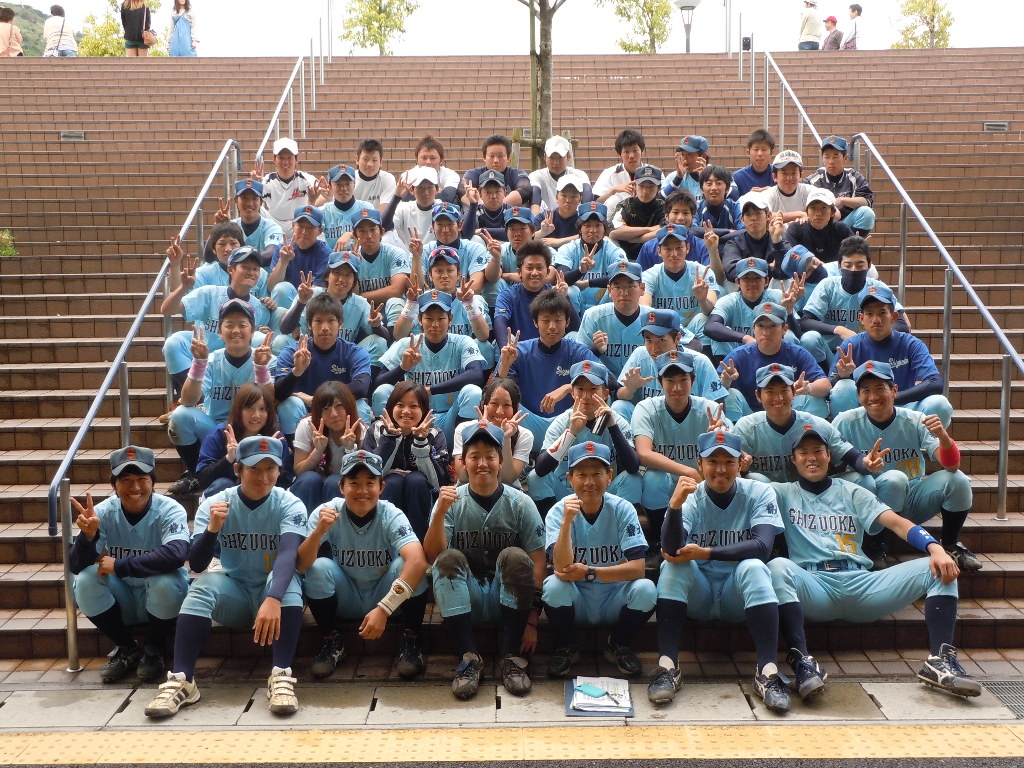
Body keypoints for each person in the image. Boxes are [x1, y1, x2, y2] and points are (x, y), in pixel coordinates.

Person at [768, 427, 981, 699]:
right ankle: (802, 662)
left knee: (939, 567)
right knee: (777, 567)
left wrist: (935, 547)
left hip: (861, 584)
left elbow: (898, 523)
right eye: (804, 452)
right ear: (794, 460)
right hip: (815, 587)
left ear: (829, 456)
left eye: (818, 451)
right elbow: (737, 490)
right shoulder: (781, 492)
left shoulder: (852, 491)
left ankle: (941, 662)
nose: (811, 458)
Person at [143, 436, 307, 718]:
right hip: (235, 592)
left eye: (270, 468)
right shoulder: (216, 503)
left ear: (280, 470)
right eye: (254, 468)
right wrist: (211, 531)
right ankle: (183, 680)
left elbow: (288, 555)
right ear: (237, 469)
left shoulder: (289, 503)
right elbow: (197, 564)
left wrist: (273, 598)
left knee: (287, 582)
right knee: (202, 585)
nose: (263, 477)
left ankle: (281, 676)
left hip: (273, 594)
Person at [648, 432, 789, 711]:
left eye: (729, 461)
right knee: (673, 566)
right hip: (699, 593)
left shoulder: (759, 491)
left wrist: (707, 552)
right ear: (699, 464)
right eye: (713, 461)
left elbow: (763, 547)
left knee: (755, 566)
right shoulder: (690, 495)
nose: (721, 469)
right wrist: (674, 506)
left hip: (736, 594)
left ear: (740, 464)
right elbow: (671, 549)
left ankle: (768, 672)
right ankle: (667, 667)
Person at [424, 422, 546, 699]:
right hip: (466, 598)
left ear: (500, 462)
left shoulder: (521, 502)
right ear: (463, 463)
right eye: (474, 456)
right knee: (448, 558)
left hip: (511, 601)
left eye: (490, 456)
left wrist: (532, 620)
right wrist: (440, 513)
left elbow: (539, 562)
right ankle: (468, 658)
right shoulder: (451, 500)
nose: (482, 463)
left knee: (515, 556)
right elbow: (432, 556)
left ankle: (510, 657)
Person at [832, 361, 980, 572]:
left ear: (894, 390)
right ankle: (874, 544)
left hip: (910, 497)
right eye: (865, 390)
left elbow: (952, 464)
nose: (873, 396)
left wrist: (944, 437)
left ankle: (950, 544)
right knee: (892, 479)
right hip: (866, 503)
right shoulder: (845, 421)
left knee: (958, 480)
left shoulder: (914, 420)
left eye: (880, 388)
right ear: (858, 395)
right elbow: (829, 465)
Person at [298, 450, 429, 680]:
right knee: (319, 567)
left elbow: (418, 561)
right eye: (354, 483)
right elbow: (301, 565)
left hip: (386, 595)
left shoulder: (390, 514)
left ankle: (411, 641)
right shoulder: (327, 512)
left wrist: (384, 608)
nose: (362, 491)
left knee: (406, 565)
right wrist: (318, 533)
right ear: (341, 487)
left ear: (381, 487)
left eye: (370, 483)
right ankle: (331, 641)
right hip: (347, 595)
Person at [69, 446, 189, 683]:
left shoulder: (170, 509)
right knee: (85, 579)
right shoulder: (103, 512)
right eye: (125, 480)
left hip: (162, 597)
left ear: (152, 482)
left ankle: (154, 649)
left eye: (142, 479)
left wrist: (120, 565)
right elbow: (75, 564)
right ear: (114, 485)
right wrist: (88, 537)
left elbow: (176, 554)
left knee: (165, 580)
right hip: (124, 595)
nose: (135, 488)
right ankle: (127, 647)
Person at [543, 442, 656, 679]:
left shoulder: (623, 509)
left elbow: (638, 569)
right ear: (570, 478)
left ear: (609, 476)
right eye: (581, 475)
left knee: (646, 589)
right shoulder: (558, 511)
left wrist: (589, 572)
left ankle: (618, 644)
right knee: (553, 586)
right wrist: (566, 523)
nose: (589, 482)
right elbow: (561, 567)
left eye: (597, 474)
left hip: (614, 597)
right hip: (577, 599)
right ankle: (568, 646)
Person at [165, 299, 303, 493]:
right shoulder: (211, 360)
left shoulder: (266, 358)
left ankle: (290, 469)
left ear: (252, 331)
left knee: (293, 404)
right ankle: (196, 475)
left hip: (256, 429)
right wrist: (199, 363)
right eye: (229, 325)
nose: (236, 330)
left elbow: (270, 402)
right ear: (220, 332)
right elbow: (188, 400)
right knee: (180, 415)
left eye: (242, 325)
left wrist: (260, 367)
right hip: (218, 430)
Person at [631, 349, 732, 558]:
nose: (677, 387)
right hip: (668, 484)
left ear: (693, 381)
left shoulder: (710, 409)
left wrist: (718, 438)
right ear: (660, 382)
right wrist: (687, 471)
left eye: (683, 380)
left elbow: (735, 454)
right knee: (653, 479)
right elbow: (644, 453)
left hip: (701, 485)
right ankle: (659, 539)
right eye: (670, 380)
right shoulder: (646, 408)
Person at [733, 363, 879, 484]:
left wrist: (867, 463)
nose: (778, 398)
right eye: (770, 392)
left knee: (864, 480)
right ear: (758, 395)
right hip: (767, 498)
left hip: (811, 493)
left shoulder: (817, 424)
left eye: (784, 390)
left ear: (794, 392)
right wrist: (743, 469)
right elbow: (734, 473)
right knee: (756, 479)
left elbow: (853, 458)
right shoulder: (746, 427)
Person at [828, 284, 952, 425]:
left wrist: (890, 398)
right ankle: (846, 438)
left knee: (940, 403)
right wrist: (842, 375)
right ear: (861, 318)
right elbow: (830, 387)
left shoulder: (911, 344)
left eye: (882, 313)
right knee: (843, 387)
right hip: (865, 410)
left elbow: (935, 382)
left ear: (894, 317)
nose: (876, 320)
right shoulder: (851, 345)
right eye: (869, 314)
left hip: (903, 408)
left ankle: (926, 439)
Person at [373, 290, 484, 445]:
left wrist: (431, 390)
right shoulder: (406, 344)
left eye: (441, 318)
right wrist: (402, 368)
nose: (435, 324)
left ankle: (461, 450)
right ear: (420, 320)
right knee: (382, 391)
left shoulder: (462, 342)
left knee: (473, 392)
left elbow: (476, 374)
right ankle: (388, 444)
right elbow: (378, 382)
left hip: (449, 417)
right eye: (429, 318)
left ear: (450, 319)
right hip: (412, 420)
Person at [496, 289, 605, 448]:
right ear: (535, 322)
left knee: (604, 399)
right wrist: (504, 366)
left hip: (569, 422)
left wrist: (568, 387)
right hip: (528, 422)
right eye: (546, 320)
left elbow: (607, 383)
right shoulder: (518, 351)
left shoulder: (577, 351)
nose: (552, 326)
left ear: (567, 322)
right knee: (500, 402)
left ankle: (595, 450)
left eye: (558, 320)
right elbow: (494, 394)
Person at [532, 360, 642, 505]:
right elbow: (540, 469)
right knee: (535, 478)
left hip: (605, 496)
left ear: (605, 393)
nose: (586, 395)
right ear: (572, 393)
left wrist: (612, 427)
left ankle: (618, 518)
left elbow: (633, 467)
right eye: (580, 389)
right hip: (567, 495)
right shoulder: (562, 422)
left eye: (593, 389)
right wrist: (571, 433)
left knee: (633, 479)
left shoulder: (616, 421)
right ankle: (556, 519)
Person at [798, 236, 908, 369]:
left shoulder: (877, 287)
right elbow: (806, 321)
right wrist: (838, 330)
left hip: (866, 353)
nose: (854, 270)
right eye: (848, 265)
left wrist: (869, 336)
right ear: (839, 265)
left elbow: (902, 325)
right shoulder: (827, 285)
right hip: (831, 353)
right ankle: (825, 377)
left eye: (860, 265)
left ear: (869, 265)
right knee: (810, 338)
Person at [361, 381, 451, 541]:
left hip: (421, 493)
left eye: (414, 406)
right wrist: (390, 439)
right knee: (392, 482)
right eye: (400, 405)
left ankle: (420, 543)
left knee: (416, 480)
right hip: (387, 490)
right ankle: (386, 543)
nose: (406, 411)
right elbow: (368, 476)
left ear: (424, 410)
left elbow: (440, 483)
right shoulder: (376, 430)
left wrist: (421, 443)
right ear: (391, 407)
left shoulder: (435, 433)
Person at [717, 302, 831, 421]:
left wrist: (808, 389)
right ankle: (735, 431)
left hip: (788, 415)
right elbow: (714, 389)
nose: (766, 332)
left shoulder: (797, 353)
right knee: (729, 395)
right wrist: (725, 381)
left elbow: (826, 385)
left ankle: (809, 433)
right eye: (760, 326)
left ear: (784, 329)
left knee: (813, 400)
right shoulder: (739, 355)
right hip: (750, 418)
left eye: (772, 326)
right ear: (753, 329)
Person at [273, 293, 372, 423]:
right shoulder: (292, 352)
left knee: (360, 406)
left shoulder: (354, 352)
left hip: (338, 410)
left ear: (340, 324)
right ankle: (293, 438)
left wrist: (318, 400)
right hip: (304, 414)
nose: (325, 328)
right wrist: (297, 371)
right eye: (318, 321)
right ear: (309, 324)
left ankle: (357, 437)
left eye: (331, 321)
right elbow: (279, 392)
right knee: (289, 404)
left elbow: (361, 386)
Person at [196, 382, 292, 498]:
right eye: (249, 408)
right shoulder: (220, 434)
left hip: (264, 500)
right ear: (238, 409)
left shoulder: (276, 438)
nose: (256, 415)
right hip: (227, 500)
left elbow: (286, 482)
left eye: (262, 409)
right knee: (222, 484)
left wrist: (271, 459)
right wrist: (228, 459)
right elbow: (203, 479)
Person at [289, 381, 364, 514]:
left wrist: (350, 450)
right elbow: (299, 470)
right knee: (309, 479)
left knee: (335, 481)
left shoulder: (360, 430)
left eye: (339, 406)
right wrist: (318, 451)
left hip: (339, 487)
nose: (333, 414)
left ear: (349, 406)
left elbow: (360, 476)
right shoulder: (308, 426)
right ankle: (302, 524)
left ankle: (335, 526)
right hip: (312, 487)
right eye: (325, 408)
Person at [452, 377, 533, 488]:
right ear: (484, 404)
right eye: (494, 403)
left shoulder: (524, 435)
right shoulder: (464, 429)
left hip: (507, 492)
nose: (500, 411)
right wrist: (481, 432)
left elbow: (508, 478)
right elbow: (463, 477)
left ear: (516, 407)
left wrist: (506, 438)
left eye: (507, 405)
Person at [493, 242, 579, 344]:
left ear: (547, 272)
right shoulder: (508, 295)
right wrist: (506, 348)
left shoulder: (554, 294)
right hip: (519, 349)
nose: (534, 273)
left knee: (574, 336)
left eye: (539, 268)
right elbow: (500, 322)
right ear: (519, 272)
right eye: (529, 268)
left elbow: (576, 328)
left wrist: (564, 298)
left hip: (550, 348)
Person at [553, 202, 627, 314]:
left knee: (616, 289)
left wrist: (588, 283)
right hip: (576, 307)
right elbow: (560, 278)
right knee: (568, 290)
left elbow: (622, 277)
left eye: (598, 225)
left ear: (604, 228)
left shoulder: (614, 251)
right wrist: (581, 271)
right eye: (587, 225)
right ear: (580, 228)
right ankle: (572, 324)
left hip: (605, 307)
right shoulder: (568, 249)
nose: (593, 230)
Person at [804, 135, 876, 236]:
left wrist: (842, 200)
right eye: (827, 157)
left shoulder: (854, 178)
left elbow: (867, 201)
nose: (831, 161)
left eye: (835, 157)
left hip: (846, 225)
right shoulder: (813, 181)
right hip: (819, 226)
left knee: (867, 213)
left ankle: (853, 243)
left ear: (845, 158)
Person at [257, 138, 317, 232]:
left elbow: (324, 196)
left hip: (300, 224)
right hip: (274, 225)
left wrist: (312, 202)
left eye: (289, 158)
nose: (285, 162)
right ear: (274, 159)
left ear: (296, 159)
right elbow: (254, 201)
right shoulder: (268, 180)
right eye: (281, 158)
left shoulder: (306, 179)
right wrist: (255, 185)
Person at [784, 187, 856, 264]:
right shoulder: (796, 229)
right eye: (813, 208)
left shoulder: (841, 229)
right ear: (807, 211)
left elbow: (855, 253)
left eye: (823, 208)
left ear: (832, 212)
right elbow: (790, 257)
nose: (818, 213)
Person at [610, 164, 665, 260]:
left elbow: (665, 231)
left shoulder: (664, 207)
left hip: (654, 258)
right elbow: (613, 232)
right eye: (641, 186)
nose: (645, 191)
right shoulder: (625, 205)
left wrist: (633, 238)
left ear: (658, 188)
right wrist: (649, 229)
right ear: (635, 186)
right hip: (625, 259)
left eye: (651, 187)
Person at [461, 134, 531, 207]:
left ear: (508, 157)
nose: (496, 160)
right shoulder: (473, 174)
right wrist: (481, 207)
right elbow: (463, 190)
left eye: (500, 156)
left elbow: (525, 189)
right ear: (484, 157)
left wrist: (495, 207)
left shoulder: (516, 174)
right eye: (491, 156)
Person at [529, 135, 592, 213]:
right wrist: (536, 218)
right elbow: (535, 201)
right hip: (546, 218)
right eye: (552, 158)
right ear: (545, 157)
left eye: (560, 157)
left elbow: (587, 194)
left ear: (568, 157)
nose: (556, 162)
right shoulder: (536, 176)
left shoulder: (579, 175)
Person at [593, 129, 646, 217]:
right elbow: (595, 203)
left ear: (642, 151)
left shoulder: (653, 172)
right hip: (616, 219)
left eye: (635, 150)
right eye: (626, 152)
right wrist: (613, 190)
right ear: (620, 154)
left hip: (646, 216)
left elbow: (662, 199)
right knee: (613, 200)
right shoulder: (609, 173)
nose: (631, 156)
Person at [763, 151, 814, 222]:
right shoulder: (769, 194)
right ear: (774, 176)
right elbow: (762, 215)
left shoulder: (808, 191)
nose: (789, 178)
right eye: (784, 173)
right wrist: (799, 215)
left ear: (801, 175)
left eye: (794, 173)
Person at [353, 139, 397, 211]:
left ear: (381, 162)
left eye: (374, 160)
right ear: (357, 160)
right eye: (365, 159)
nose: (370, 164)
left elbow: (384, 212)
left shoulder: (387, 179)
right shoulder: (349, 179)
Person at [732, 129, 777, 197]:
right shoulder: (737, 177)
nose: (759, 154)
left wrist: (773, 191)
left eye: (764, 149)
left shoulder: (779, 174)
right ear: (748, 152)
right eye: (756, 149)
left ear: (771, 153)